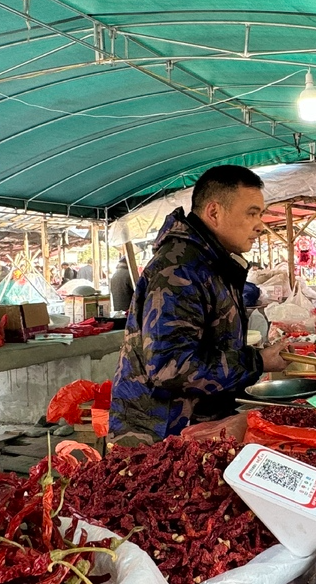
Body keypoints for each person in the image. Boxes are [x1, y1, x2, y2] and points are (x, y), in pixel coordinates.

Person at [109, 165, 286, 445]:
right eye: (252, 213)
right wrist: (258, 361)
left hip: (194, 428)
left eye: (260, 214)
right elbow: (171, 367)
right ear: (214, 212)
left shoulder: (209, 262)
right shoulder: (180, 270)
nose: (259, 225)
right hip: (160, 436)